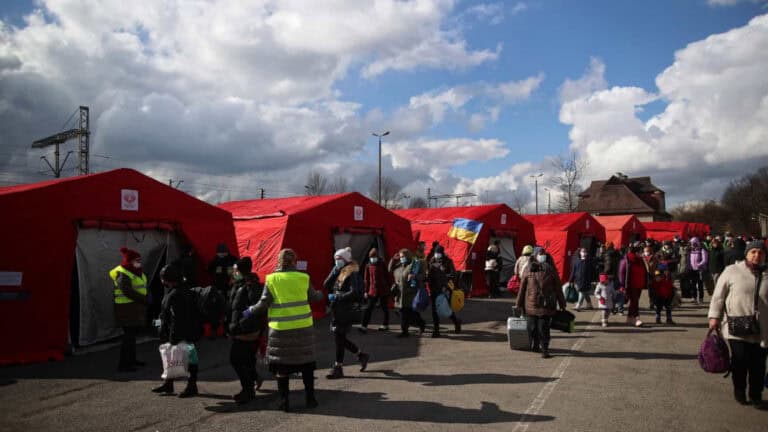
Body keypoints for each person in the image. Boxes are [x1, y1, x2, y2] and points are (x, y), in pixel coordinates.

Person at [243, 248, 323, 412]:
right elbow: (314, 297)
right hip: (303, 328)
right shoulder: (303, 277)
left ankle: (284, 402)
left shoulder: (272, 279)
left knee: (282, 368)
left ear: (279, 261)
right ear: (294, 261)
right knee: (306, 364)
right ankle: (311, 399)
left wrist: (249, 310)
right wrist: (322, 294)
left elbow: (263, 304)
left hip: (280, 329)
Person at [708, 241, 768, 409]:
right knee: (740, 360)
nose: (757, 255)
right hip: (737, 325)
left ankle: (756, 394)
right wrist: (714, 317)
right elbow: (718, 296)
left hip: (763, 327)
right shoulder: (732, 271)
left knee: (759, 363)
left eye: (761, 252)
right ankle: (740, 391)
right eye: (753, 252)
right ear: (747, 253)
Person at [152, 264, 203, 398]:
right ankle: (168, 384)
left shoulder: (177, 294)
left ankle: (192, 386)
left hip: (182, 333)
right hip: (186, 331)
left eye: (163, 279)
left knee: (190, 360)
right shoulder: (182, 289)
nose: (162, 282)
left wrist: (173, 337)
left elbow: (177, 318)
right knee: (171, 358)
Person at [323, 248, 370, 379]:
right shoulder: (339, 271)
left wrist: (338, 297)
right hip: (337, 310)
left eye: (339, 260)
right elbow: (325, 285)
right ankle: (361, 355)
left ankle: (338, 367)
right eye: (335, 260)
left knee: (339, 338)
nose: (336, 262)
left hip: (346, 311)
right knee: (340, 338)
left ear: (345, 260)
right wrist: (333, 272)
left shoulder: (352, 273)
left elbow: (354, 292)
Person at [516, 248, 567, 358]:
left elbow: (558, 288)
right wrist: (518, 304)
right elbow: (522, 288)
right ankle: (535, 345)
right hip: (532, 304)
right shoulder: (529, 269)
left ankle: (544, 349)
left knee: (543, 328)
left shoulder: (550, 270)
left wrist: (562, 303)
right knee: (533, 328)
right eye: (540, 254)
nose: (542, 256)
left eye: (543, 254)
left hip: (545, 305)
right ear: (534, 256)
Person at [228, 257, 266, 404]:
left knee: (236, 359)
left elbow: (252, 311)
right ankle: (254, 379)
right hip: (246, 330)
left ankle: (248, 390)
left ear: (239, 270)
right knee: (248, 360)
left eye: (235, 270)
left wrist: (238, 327)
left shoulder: (249, 287)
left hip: (245, 331)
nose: (233, 272)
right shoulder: (241, 284)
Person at [109, 247, 148, 372]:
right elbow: (127, 291)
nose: (139, 262)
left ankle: (131, 360)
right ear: (130, 261)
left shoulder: (135, 271)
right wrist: (144, 299)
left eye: (139, 260)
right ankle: (124, 364)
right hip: (125, 308)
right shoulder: (122, 272)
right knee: (128, 337)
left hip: (134, 307)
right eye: (136, 260)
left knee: (131, 336)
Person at [426, 245, 462, 337]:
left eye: (438, 252)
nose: (437, 255)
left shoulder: (448, 261)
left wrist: (447, 282)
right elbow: (429, 274)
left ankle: (456, 322)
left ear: (442, 253)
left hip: (444, 289)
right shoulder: (432, 261)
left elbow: (454, 275)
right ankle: (436, 330)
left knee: (445, 308)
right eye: (436, 252)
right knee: (434, 311)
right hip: (434, 289)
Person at [390, 249, 427, 338]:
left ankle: (420, 324)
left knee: (410, 313)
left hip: (410, 293)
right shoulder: (399, 265)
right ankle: (405, 331)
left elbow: (423, 276)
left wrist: (415, 276)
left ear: (408, 256)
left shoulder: (414, 265)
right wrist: (393, 259)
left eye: (403, 256)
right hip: (400, 294)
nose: (401, 258)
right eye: (400, 257)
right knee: (404, 313)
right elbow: (390, 269)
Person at [206, 243, 237, 337]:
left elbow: (238, 274)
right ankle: (215, 330)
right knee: (216, 310)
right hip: (218, 288)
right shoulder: (215, 260)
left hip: (229, 289)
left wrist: (234, 280)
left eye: (223, 253)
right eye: (220, 253)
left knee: (228, 310)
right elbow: (209, 270)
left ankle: (227, 331)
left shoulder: (233, 260)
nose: (221, 255)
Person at [361, 248, 391, 333]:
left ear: (377, 257)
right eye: (371, 257)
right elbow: (366, 279)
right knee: (368, 308)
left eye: (374, 256)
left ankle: (385, 325)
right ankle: (364, 326)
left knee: (384, 308)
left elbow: (387, 276)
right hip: (372, 290)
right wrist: (365, 291)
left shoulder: (382, 264)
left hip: (383, 289)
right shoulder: (368, 265)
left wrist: (389, 287)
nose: (373, 258)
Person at [618, 243, 647, 327]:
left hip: (639, 284)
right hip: (630, 284)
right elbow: (621, 272)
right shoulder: (627, 259)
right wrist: (622, 285)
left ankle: (629, 318)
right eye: (640, 251)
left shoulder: (640, 260)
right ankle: (636, 318)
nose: (642, 253)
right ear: (636, 252)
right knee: (635, 302)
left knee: (634, 302)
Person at [688, 237, 709, 305]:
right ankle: (694, 298)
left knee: (700, 285)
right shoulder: (690, 250)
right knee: (693, 285)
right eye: (692, 243)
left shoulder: (702, 250)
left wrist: (699, 264)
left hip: (700, 270)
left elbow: (705, 259)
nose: (693, 245)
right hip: (692, 270)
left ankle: (701, 298)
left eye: (694, 243)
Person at [642, 245, 660, 309]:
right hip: (642, 277)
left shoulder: (654, 258)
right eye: (645, 251)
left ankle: (652, 303)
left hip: (651, 276)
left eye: (647, 251)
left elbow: (657, 268)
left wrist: (657, 275)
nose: (646, 252)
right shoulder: (641, 258)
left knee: (652, 291)